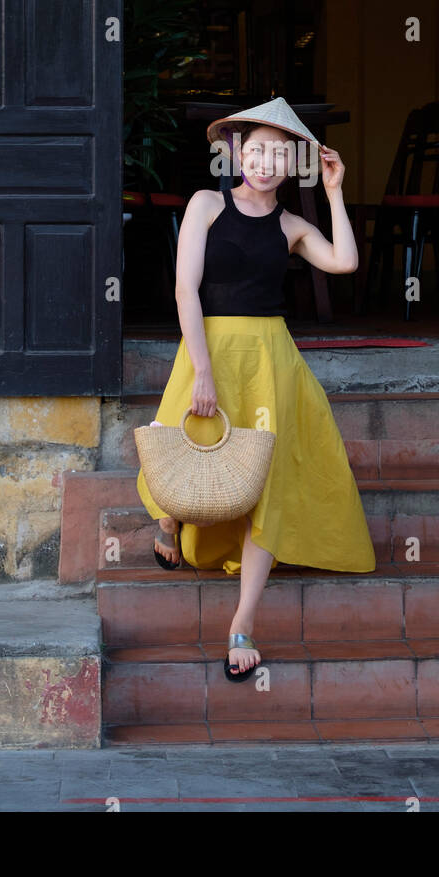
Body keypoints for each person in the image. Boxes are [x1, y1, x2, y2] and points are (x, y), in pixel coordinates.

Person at [135, 97, 376, 682]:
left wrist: (337, 191)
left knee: (268, 486)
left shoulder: (292, 226)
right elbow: (184, 292)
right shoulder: (206, 205)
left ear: (295, 163)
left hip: (271, 362)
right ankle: (169, 522)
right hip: (209, 353)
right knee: (182, 463)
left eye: (280, 153)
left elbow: (344, 261)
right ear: (237, 152)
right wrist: (204, 372)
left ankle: (243, 622)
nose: (266, 162)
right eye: (257, 149)